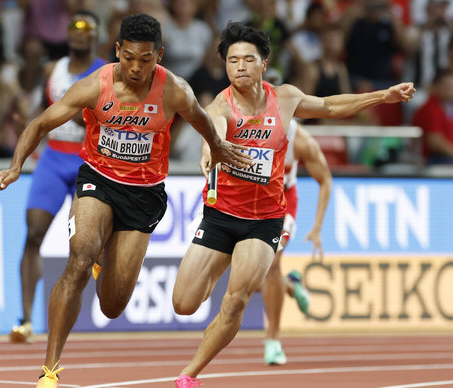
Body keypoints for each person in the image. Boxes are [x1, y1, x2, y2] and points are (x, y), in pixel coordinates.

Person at [0, 13, 251, 388]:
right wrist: (16, 165)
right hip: (97, 179)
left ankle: (104, 258)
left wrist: (218, 148)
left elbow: (200, 119)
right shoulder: (95, 86)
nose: (135, 68)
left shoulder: (174, 90)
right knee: (78, 260)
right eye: (128, 57)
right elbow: (39, 124)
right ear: (117, 51)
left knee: (112, 306)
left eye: (145, 60)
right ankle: (50, 369)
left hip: (144, 195)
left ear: (159, 55)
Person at [171, 21, 415, 387]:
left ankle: (190, 375)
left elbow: (332, 106)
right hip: (221, 216)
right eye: (232, 60)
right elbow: (213, 132)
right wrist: (212, 151)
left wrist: (383, 96)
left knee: (236, 301)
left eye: (248, 59)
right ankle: (220, 265)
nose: (239, 67)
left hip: (266, 219)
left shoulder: (284, 98)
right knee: (184, 303)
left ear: (264, 63)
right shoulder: (221, 104)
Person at [7, 10, 106, 344]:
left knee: (84, 245)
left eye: (85, 27)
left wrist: (84, 119)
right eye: (73, 27)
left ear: (96, 34)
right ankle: (24, 319)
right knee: (33, 232)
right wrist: (28, 119)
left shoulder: (107, 73)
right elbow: (41, 109)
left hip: (87, 159)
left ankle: (89, 306)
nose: (78, 33)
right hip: (53, 156)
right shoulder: (53, 69)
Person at [261, 118, 332, 366]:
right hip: (248, 200)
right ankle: (290, 285)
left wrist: (317, 227)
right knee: (247, 272)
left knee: (270, 264)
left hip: (282, 203)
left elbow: (325, 180)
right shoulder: (241, 121)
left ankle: (273, 340)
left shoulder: (299, 140)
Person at [412, 69, 453, 164]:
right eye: (448, 86)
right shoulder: (429, 109)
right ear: (436, 87)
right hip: (436, 160)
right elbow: (435, 142)